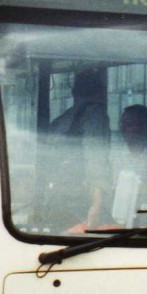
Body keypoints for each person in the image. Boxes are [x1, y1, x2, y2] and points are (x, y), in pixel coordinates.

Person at [41, 69, 111, 231]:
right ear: (102, 91)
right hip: (79, 199)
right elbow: (96, 159)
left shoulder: (62, 120)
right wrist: (97, 204)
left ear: (73, 93)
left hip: (55, 197)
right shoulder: (95, 115)